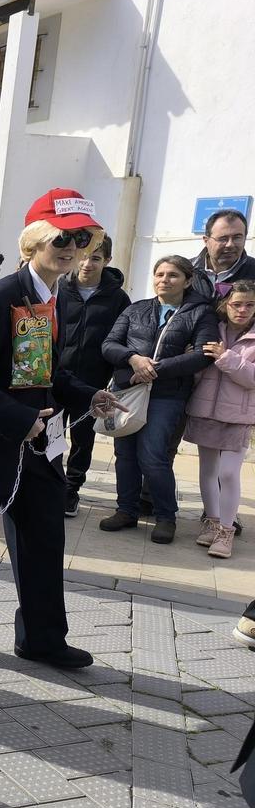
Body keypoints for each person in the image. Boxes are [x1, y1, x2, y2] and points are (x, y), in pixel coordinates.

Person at [0, 188, 126, 672]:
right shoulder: (1, 296)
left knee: (43, 540)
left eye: (81, 238)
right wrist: (22, 421)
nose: (71, 246)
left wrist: (85, 395)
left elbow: (44, 370)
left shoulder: (53, 295)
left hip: (40, 445)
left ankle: (42, 638)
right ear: (34, 241)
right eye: (62, 236)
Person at [99, 255, 217, 544]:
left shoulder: (201, 313)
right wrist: (134, 359)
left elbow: (203, 354)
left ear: (188, 280)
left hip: (168, 395)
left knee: (153, 456)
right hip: (128, 391)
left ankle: (166, 517)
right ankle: (126, 510)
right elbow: (109, 345)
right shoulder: (136, 309)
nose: (165, 279)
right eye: (160, 274)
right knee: (125, 454)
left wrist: (153, 370)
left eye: (173, 275)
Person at [55, 234, 130, 516]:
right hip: (55, 376)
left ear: (107, 261)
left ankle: (71, 489)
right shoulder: (58, 288)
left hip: (91, 382)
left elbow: (122, 339)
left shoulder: (118, 299)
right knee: (49, 435)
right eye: (83, 256)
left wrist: (113, 380)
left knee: (82, 438)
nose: (87, 264)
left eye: (95, 258)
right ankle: (48, 484)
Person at [185, 280, 255, 559]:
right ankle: (212, 523)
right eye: (236, 304)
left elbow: (251, 379)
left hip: (238, 415)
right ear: (225, 305)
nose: (242, 310)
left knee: (228, 472)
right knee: (208, 471)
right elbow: (200, 372)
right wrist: (192, 359)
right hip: (205, 410)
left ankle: (227, 530)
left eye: (250, 305)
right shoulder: (212, 330)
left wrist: (226, 357)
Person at [192, 209, 255, 299]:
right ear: (206, 241)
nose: (230, 244)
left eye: (237, 238)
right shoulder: (186, 270)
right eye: (223, 238)